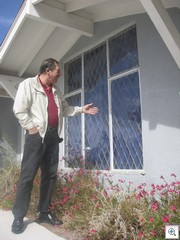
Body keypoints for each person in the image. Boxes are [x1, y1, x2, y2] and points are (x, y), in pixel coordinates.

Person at [11, 58, 99, 234]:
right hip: (36, 137)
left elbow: (65, 110)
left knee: (50, 176)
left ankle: (44, 212)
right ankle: (19, 216)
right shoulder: (29, 85)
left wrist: (82, 109)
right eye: (57, 71)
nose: (60, 74)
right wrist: (32, 128)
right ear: (47, 70)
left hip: (52, 137)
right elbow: (19, 109)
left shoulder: (56, 90)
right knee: (27, 177)